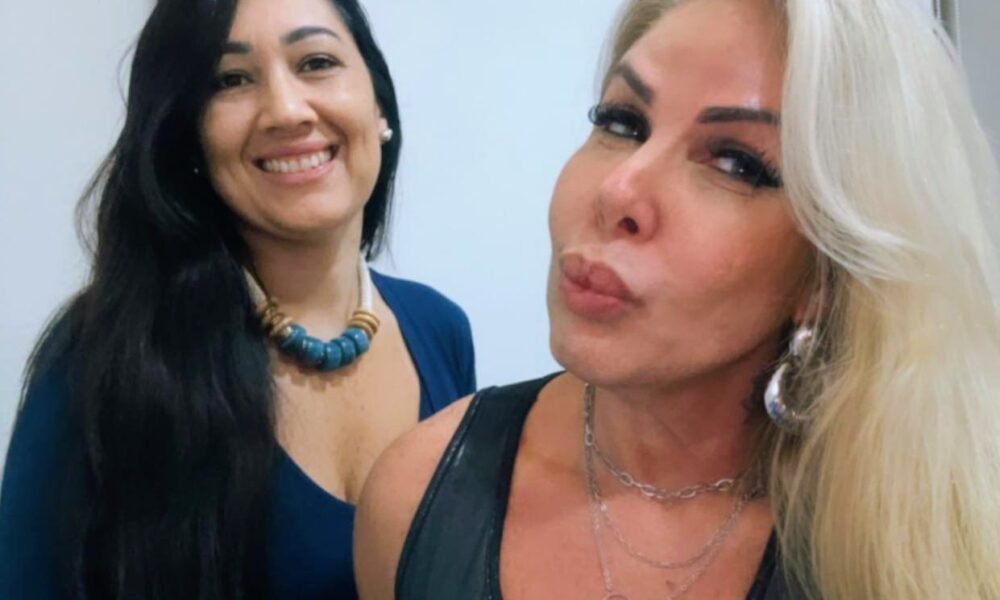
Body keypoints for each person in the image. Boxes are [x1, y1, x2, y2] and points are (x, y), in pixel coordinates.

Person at [354, 0, 1000, 598]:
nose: (617, 191)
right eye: (622, 123)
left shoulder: (924, 537)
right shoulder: (417, 495)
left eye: (736, 163)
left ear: (822, 278)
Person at [0, 0, 475, 598]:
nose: (286, 110)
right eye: (231, 80)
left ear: (378, 103)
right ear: (188, 136)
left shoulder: (441, 331)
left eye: (317, 62)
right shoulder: (102, 354)